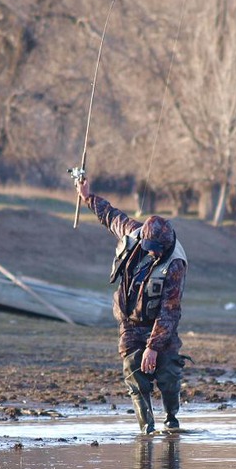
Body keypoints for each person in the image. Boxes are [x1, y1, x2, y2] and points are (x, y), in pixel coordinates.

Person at [75, 175, 187, 434]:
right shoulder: (135, 234)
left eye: (156, 249)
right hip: (130, 319)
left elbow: (169, 312)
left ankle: (171, 418)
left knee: (168, 372)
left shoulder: (175, 265)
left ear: (166, 244)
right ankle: (146, 427)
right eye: (149, 247)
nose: (152, 253)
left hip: (160, 324)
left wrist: (153, 348)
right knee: (133, 371)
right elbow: (111, 216)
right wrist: (87, 197)